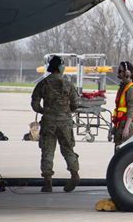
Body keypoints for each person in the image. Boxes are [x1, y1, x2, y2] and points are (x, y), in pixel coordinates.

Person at [31, 55, 80, 193]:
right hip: (65, 123)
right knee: (68, 149)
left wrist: (44, 111)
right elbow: (76, 104)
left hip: (49, 123)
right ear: (59, 67)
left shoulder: (43, 83)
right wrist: (66, 112)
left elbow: (34, 104)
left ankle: (47, 183)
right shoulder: (68, 83)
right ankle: (74, 174)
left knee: (47, 151)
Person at [113, 61, 133, 151]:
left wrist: (126, 128)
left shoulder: (131, 89)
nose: (118, 73)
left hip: (126, 125)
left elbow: (132, 108)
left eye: (120, 71)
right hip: (120, 124)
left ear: (127, 73)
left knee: (122, 154)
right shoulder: (123, 87)